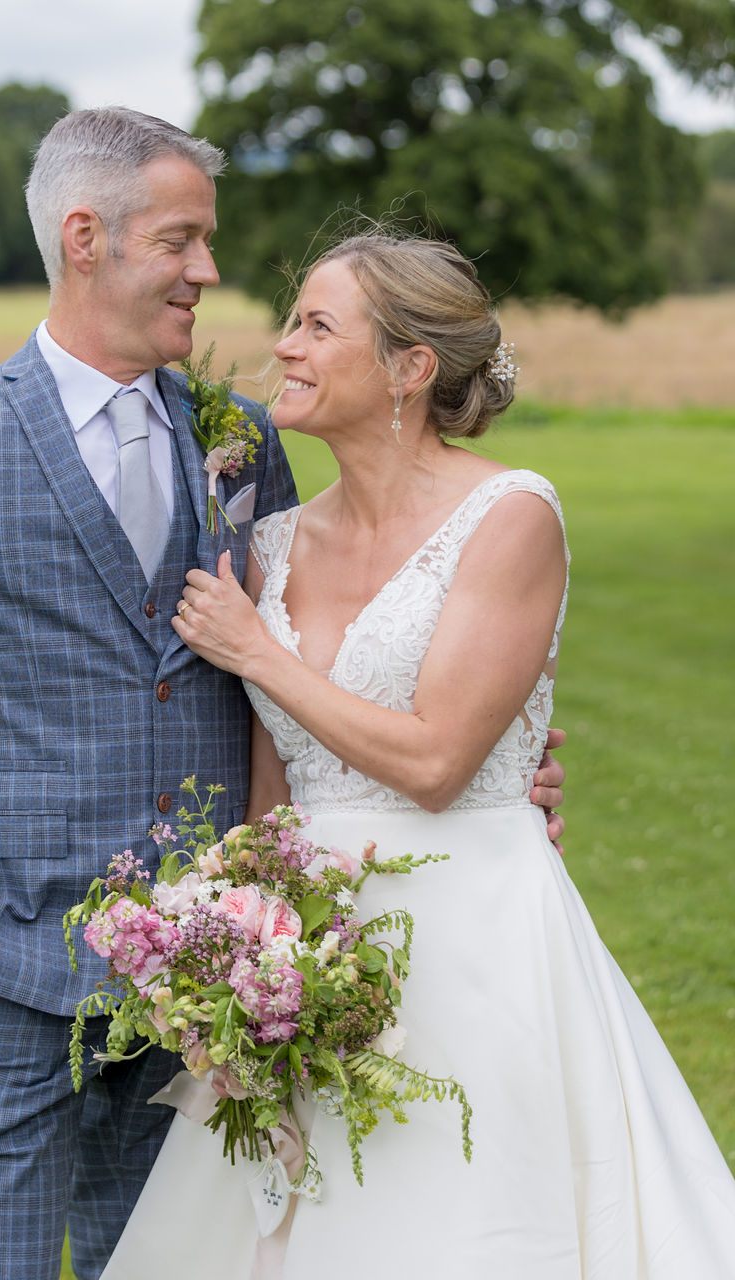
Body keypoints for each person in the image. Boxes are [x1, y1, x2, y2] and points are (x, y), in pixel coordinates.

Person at [0, 111, 564, 1279]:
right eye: (184, 240)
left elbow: (303, 668)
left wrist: (498, 767)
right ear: (86, 236)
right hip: (1, 966)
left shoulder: (244, 444)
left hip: (217, 984)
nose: (209, 272)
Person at [103, 234, 735, 1279]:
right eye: (290, 320)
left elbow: (439, 759)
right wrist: (244, 953)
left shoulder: (509, 514)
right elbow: (273, 789)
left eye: (316, 324)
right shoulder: (269, 544)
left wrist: (256, 647)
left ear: (409, 368)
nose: (284, 347)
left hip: (477, 943)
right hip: (308, 947)